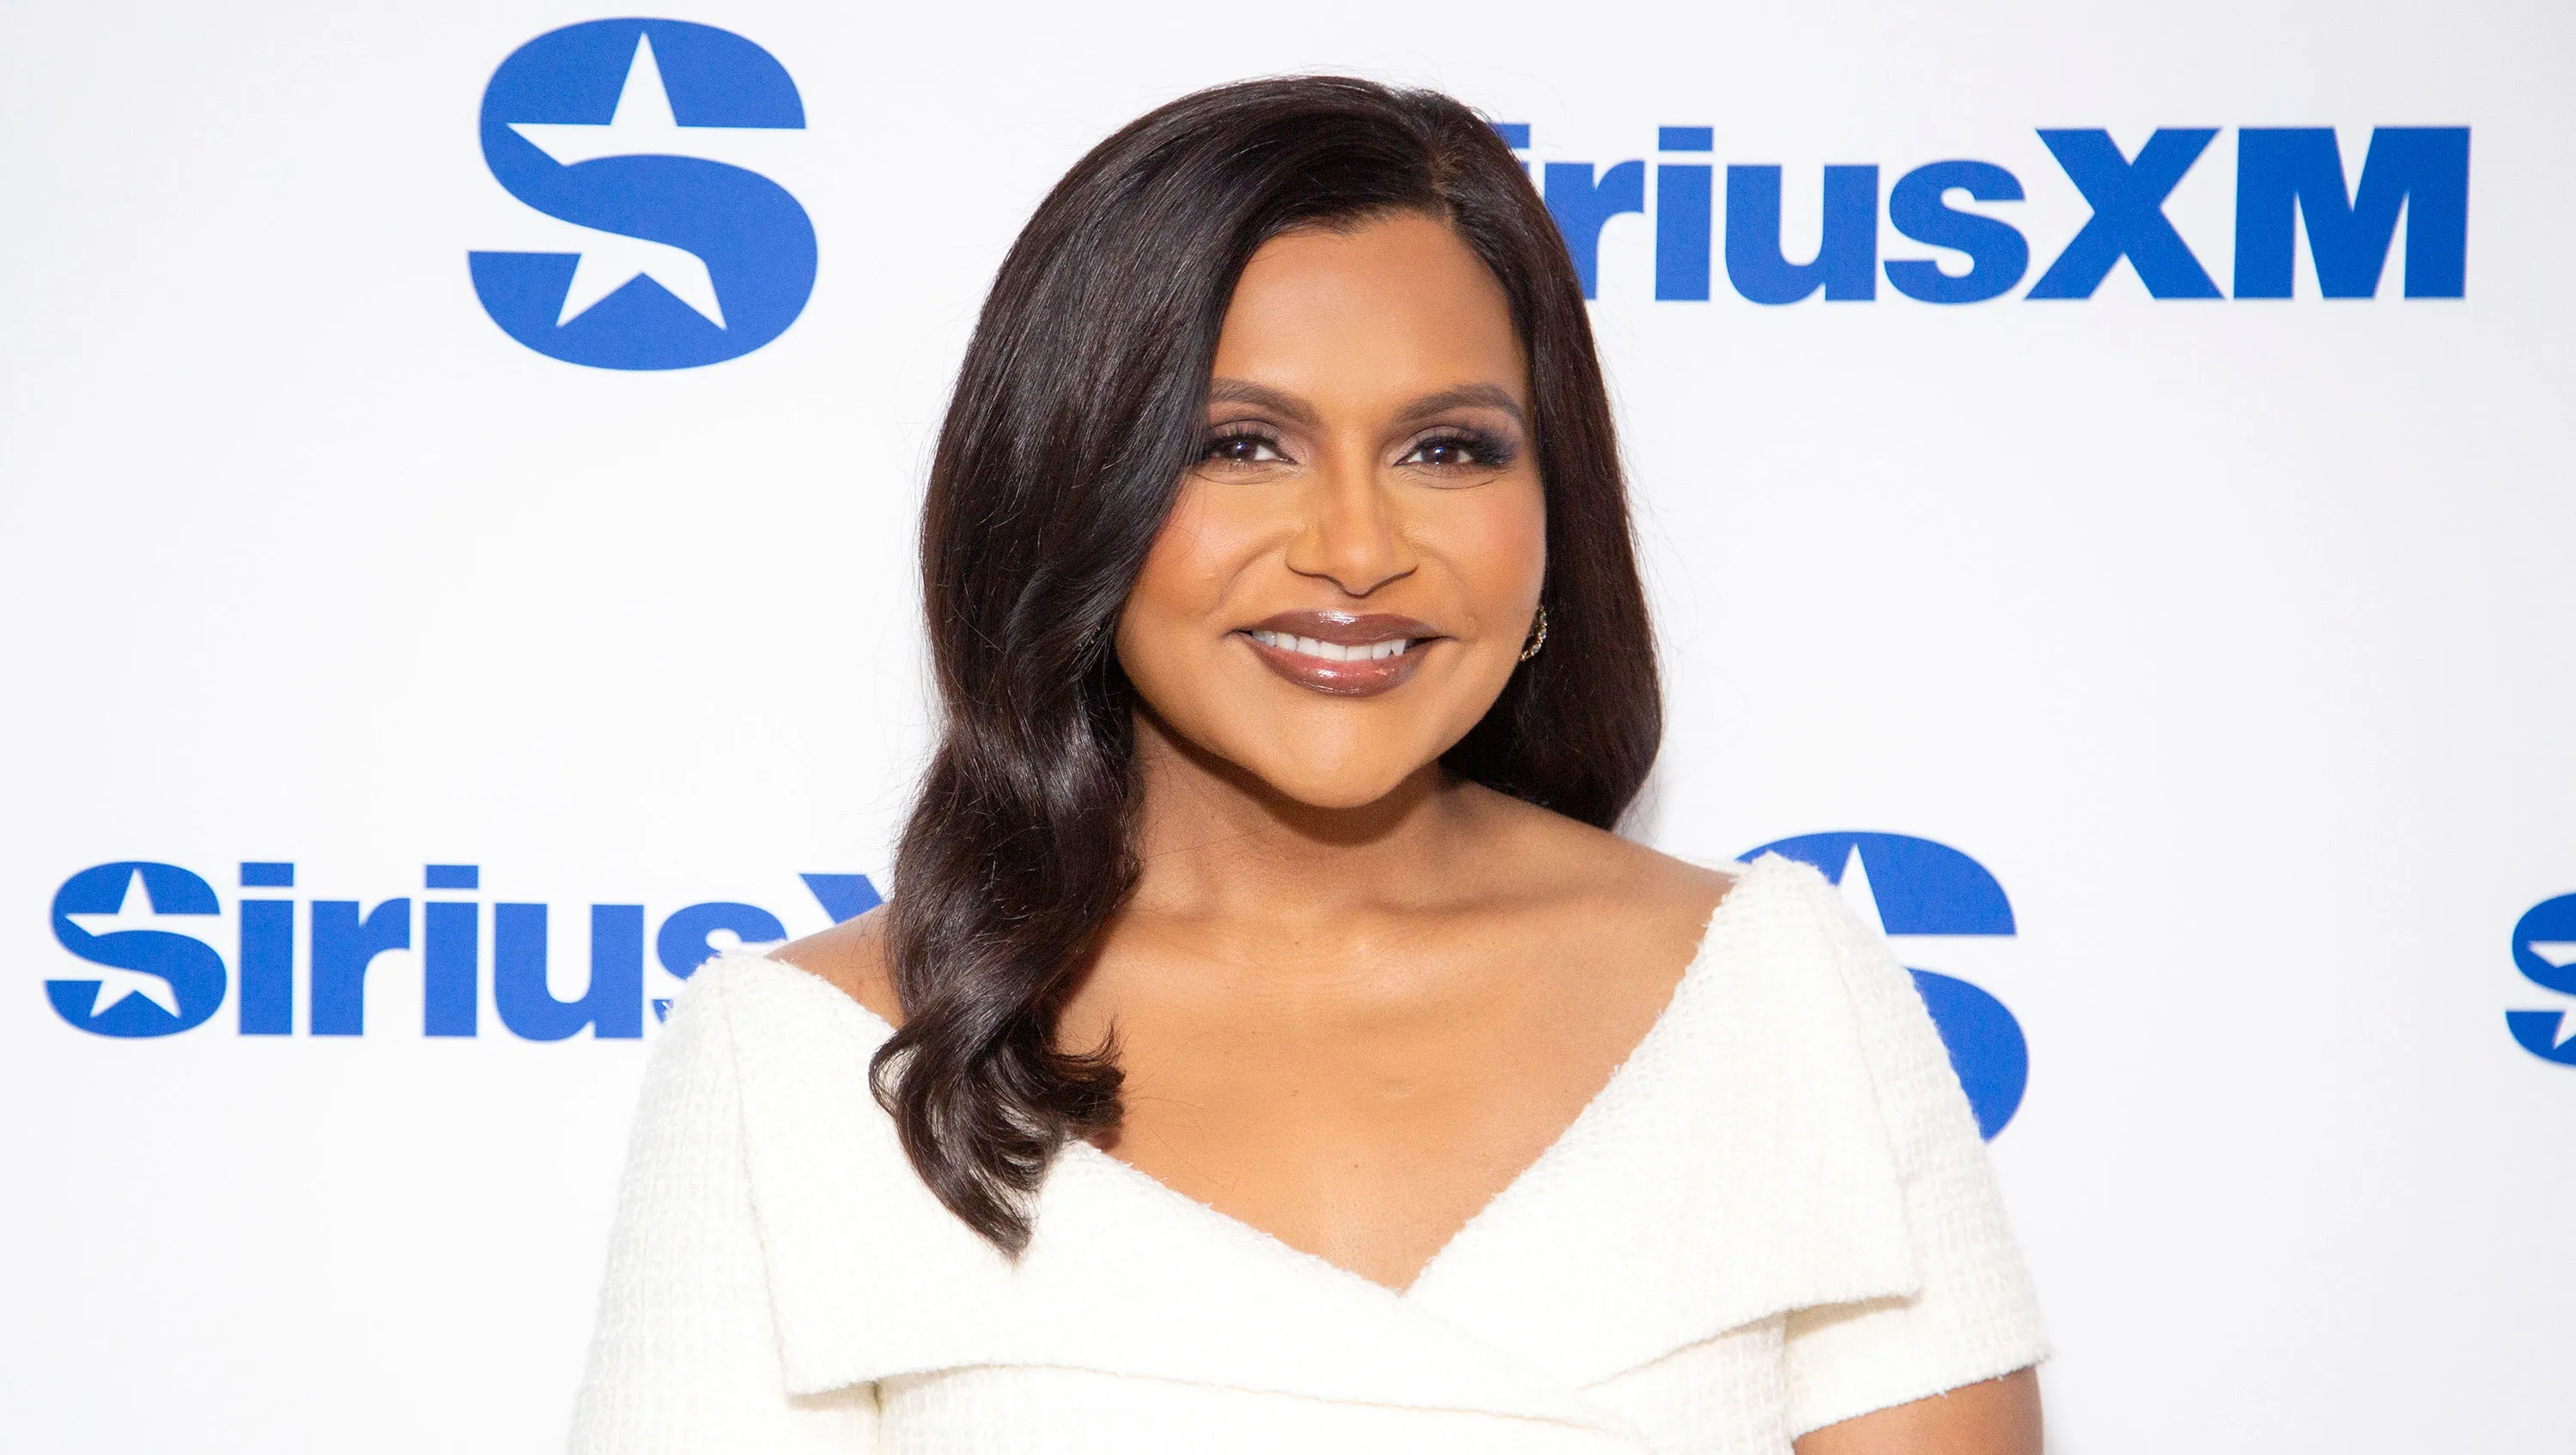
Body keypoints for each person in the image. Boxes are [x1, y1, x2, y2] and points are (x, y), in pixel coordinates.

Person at [570, 76, 2046, 1453]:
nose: (1357, 548)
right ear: (1075, 486)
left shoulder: (1778, 989)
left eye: (1450, 450)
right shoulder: (805, 1060)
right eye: (1242, 445)